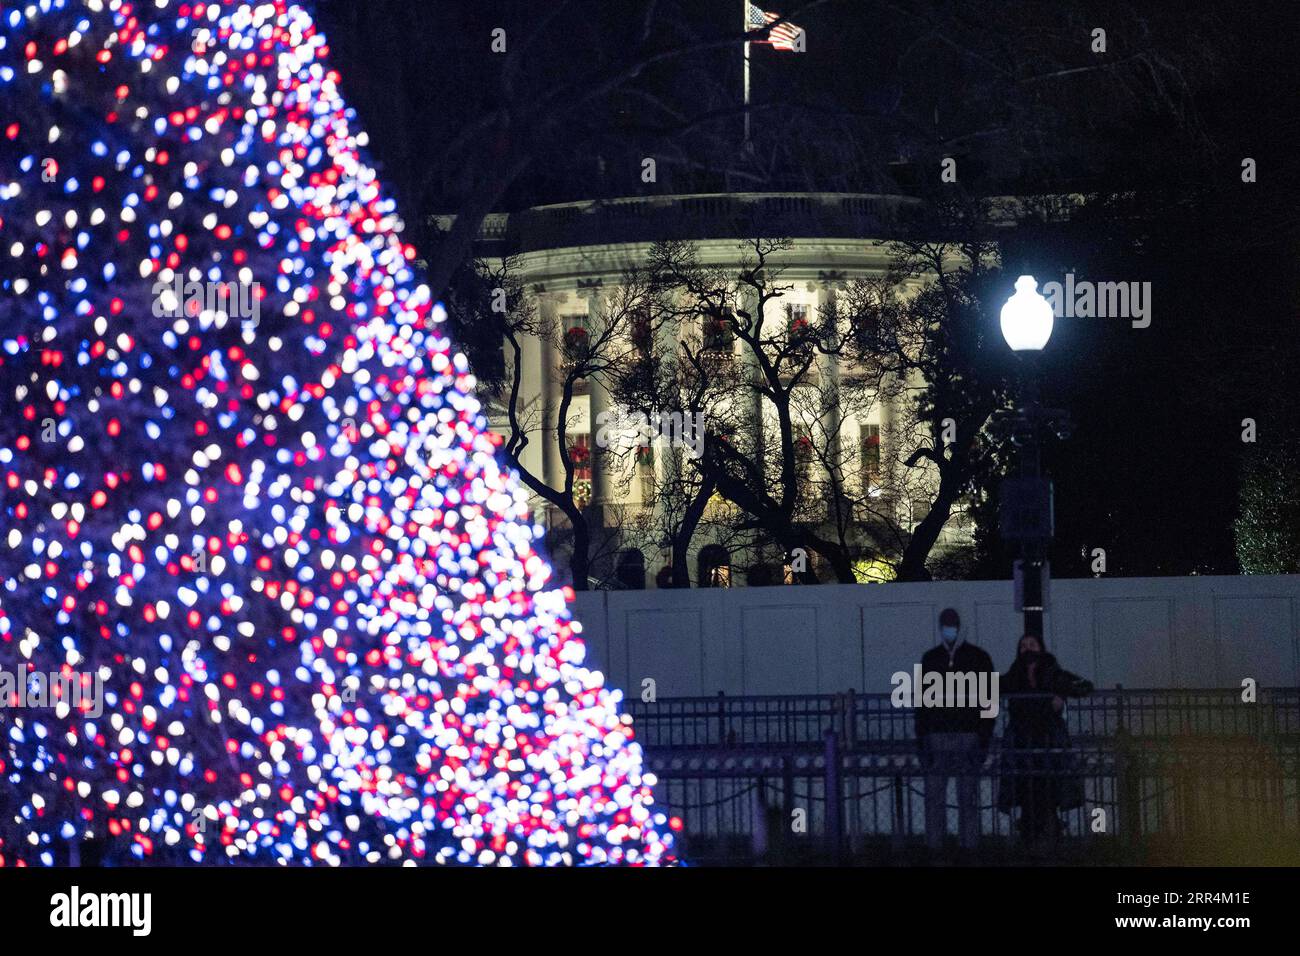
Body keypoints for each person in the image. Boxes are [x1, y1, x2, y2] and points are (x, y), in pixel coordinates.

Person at [997, 633, 1094, 846]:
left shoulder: (1052, 671)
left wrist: (1062, 694)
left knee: (1048, 787)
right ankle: (1029, 836)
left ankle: (1050, 835)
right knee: (1025, 787)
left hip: (1047, 739)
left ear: (1041, 648)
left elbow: (1084, 685)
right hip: (1022, 741)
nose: (1027, 649)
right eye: (1023, 645)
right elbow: (993, 686)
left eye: (1031, 645)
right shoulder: (1015, 673)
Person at [915, 608, 996, 852]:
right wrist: (922, 738)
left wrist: (983, 737)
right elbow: (922, 703)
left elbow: (988, 700)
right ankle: (942, 847)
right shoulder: (933, 658)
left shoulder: (976, 658)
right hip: (944, 735)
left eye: (951, 626)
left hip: (965, 735)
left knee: (964, 797)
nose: (949, 631)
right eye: (946, 626)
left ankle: (961, 847)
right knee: (940, 797)